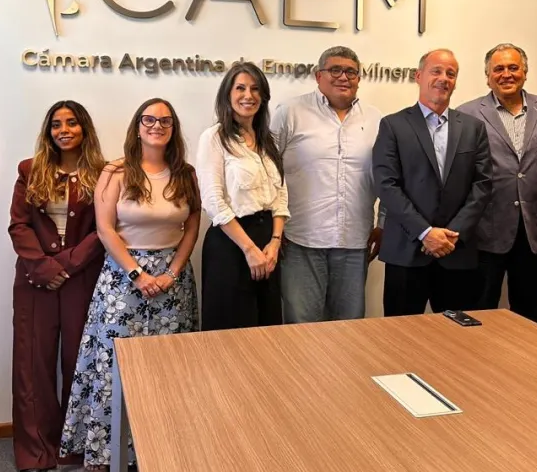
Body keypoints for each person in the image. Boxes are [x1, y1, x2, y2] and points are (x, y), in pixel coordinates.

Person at [60, 98, 200, 472]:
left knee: (169, 369)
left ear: (173, 128)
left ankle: (160, 448)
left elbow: (193, 223)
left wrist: (172, 272)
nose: (157, 126)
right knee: (113, 366)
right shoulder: (116, 172)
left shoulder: (185, 173)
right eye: (149, 119)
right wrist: (137, 273)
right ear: (137, 126)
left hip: (173, 282)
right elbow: (105, 228)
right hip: (124, 280)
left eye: (165, 121)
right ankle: (104, 452)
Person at [8, 100, 107, 472]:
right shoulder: (30, 171)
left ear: (85, 128)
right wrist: (44, 266)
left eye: (72, 123)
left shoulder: (104, 173)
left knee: (79, 362)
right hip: (35, 280)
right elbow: (18, 225)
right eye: (56, 124)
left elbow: (106, 228)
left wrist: (64, 266)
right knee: (33, 364)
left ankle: (74, 446)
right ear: (48, 131)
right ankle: (36, 451)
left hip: (82, 277)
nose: (63, 130)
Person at [372, 49, 492, 316]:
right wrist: (426, 232)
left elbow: (482, 185)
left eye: (451, 73)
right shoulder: (393, 125)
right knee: (400, 340)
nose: (444, 78)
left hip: (456, 252)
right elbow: (387, 185)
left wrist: (451, 235)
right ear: (418, 76)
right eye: (436, 71)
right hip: (406, 252)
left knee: (458, 342)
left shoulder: (473, 128)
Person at [271, 46, 383, 322]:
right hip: (300, 242)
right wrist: (274, 228)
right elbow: (269, 171)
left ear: (358, 78)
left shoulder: (376, 119)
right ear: (318, 75)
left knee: (348, 329)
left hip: (354, 242)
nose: (343, 77)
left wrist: (383, 221)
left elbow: (388, 176)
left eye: (351, 72)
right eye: (335, 70)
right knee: (301, 328)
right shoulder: (290, 112)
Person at [457, 43, 537, 324]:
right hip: (484, 233)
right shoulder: (466, 113)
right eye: (499, 69)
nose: (507, 74)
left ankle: (524, 368)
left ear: (525, 72)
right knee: (478, 315)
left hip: (535, 233)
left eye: (513, 67)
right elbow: (460, 176)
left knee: (529, 316)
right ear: (487, 76)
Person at [197, 61, 288, 330]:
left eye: (255, 89)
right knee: (232, 331)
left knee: (267, 328)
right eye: (240, 88)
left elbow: (281, 195)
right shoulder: (214, 137)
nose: (248, 95)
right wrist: (249, 249)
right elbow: (213, 201)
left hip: (267, 245)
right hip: (231, 245)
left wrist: (274, 243)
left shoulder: (267, 140)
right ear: (227, 94)